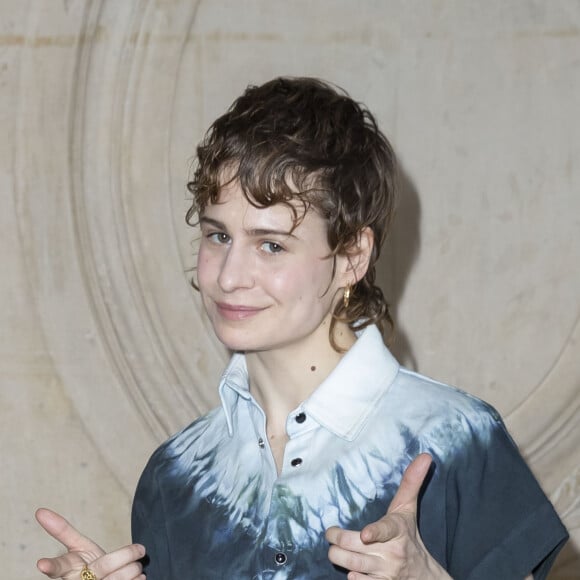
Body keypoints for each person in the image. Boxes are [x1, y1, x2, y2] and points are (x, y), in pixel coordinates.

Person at [36, 77, 568, 579]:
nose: (229, 276)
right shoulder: (176, 475)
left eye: (271, 245)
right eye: (218, 236)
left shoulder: (457, 438)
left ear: (352, 256)